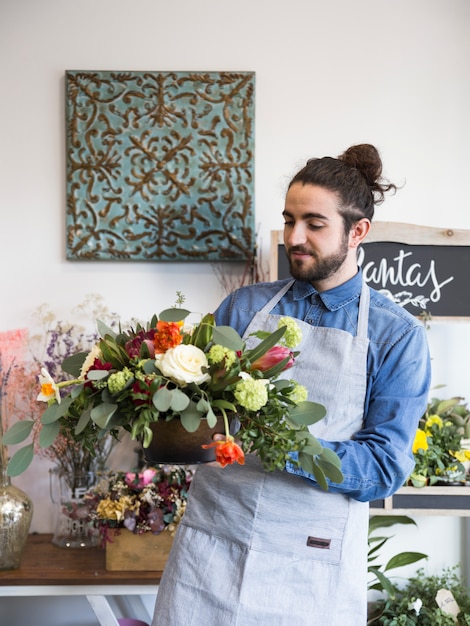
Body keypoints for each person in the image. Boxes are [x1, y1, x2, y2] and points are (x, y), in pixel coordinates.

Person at [151, 144, 431, 626]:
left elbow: (385, 466)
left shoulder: (396, 335)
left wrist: (286, 444)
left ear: (358, 231)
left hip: (310, 567)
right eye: (288, 220)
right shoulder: (242, 309)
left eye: (314, 224)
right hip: (212, 550)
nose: (294, 237)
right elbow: (194, 415)